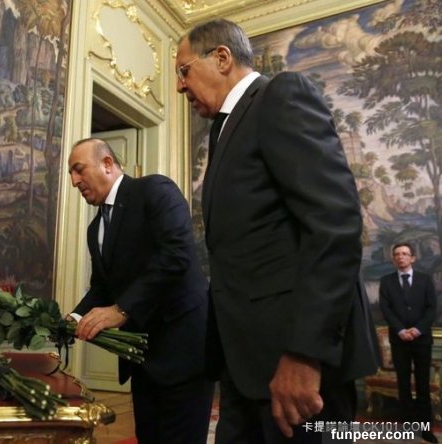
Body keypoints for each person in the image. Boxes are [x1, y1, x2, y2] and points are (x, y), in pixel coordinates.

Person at [176, 19, 378, 442]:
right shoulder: (225, 128)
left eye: (184, 71)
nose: (180, 86)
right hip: (245, 365)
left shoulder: (280, 95)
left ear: (222, 58)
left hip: (296, 368)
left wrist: (305, 354)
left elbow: (334, 224)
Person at [68, 138, 214, 444]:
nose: (74, 181)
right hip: (142, 361)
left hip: (182, 349)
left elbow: (176, 255)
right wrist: (73, 318)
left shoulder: (154, 190)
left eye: (79, 170)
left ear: (107, 164)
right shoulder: (95, 230)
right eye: (71, 174)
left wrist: (122, 309)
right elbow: (102, 287)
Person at [379, 243, 438, 443]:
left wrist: (417, 329)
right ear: (393, 259)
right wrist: (401, 330)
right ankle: (407, 427)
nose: (400, 257)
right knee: (403, 385)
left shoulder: (425, 279)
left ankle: (425, 429)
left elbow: (431, 308)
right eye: (397, 254)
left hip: (422, 340)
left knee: (423, 385)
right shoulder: (386, 281)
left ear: (413, 258)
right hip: (399, 340)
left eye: (404, 254)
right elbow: (386, 309)